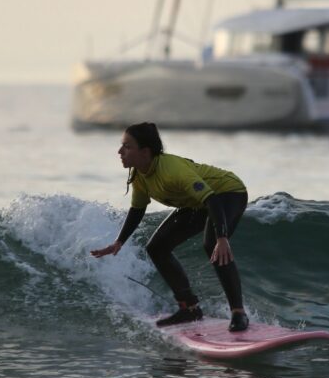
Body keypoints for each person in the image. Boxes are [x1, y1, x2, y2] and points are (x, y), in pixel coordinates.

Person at [90, 122, 249, 332]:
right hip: (197, 203)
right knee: (156, 247)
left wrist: (222, 237)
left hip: (227, 193)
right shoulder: (140, 175)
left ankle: (238, 313)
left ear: (145, 152)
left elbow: (211, 198)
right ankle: (189, 308)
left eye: (127, 146)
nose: (120, 151)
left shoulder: (172, 171)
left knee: (211, 244)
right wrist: (119, 242)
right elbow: (137, 209)